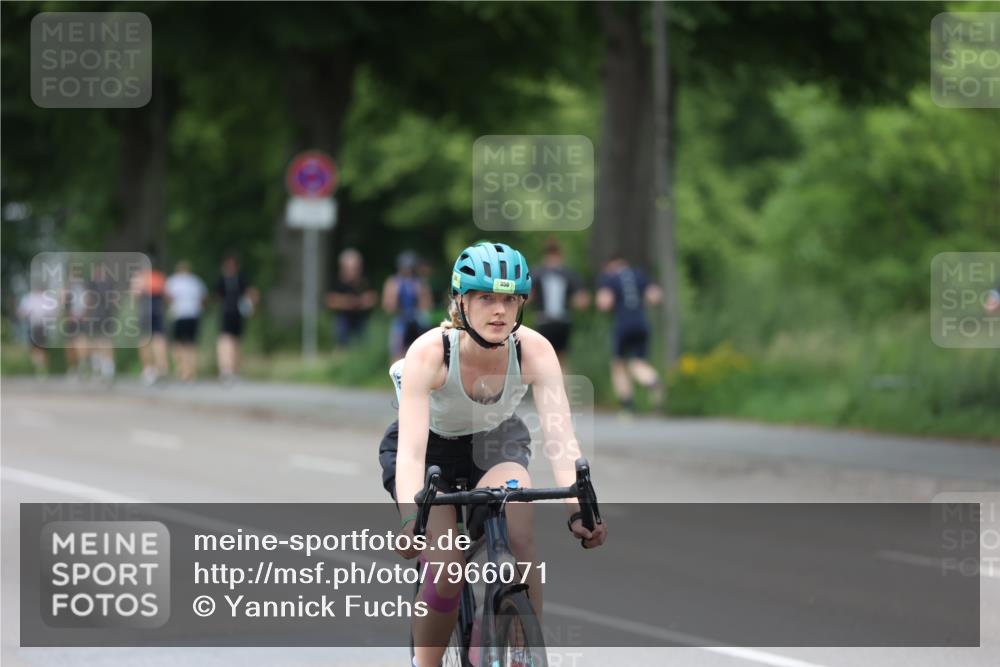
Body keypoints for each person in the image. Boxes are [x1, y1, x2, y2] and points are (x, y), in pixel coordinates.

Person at [378, 241, 608, 667]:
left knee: (519, 536)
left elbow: (561, 441)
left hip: (496, 442)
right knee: (447, 569)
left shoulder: (534, 349)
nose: (499, 310)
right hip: (431, 453)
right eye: (486, 298)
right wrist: (413, 520)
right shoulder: (429, 353)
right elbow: (410, 454)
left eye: (509, 299)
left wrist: (580, 511)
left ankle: (523, 651)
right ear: (460, 302)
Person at [596, 256, 663, 413]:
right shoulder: (639, 274)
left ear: (611, 265)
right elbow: (655, 296)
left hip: (623, 324)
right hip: (641, 322)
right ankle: (652, 380)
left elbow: (604, 303)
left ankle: (627, 404)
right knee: (638, 362)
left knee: (618, 364)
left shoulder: (610, 278)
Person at [530, 239, 589, 364]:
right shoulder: (568, 273)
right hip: (556, 321)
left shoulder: (538, 272)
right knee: (558, 360)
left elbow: (528, 297)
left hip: (549, 321)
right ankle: (559, 382)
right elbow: (582, 300)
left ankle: (550, 382)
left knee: (546, 359)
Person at [215, 252, 258, 382]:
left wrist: (252, 304)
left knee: (235, 342)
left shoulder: (241, 278)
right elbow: (217, 296)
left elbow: (251, 294)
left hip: (237, 314)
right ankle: (226, 368)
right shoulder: (223, 279)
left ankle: (233, 369)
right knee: (225, 341)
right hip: (227, 313)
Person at [383, 250, 433, 361]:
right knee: (397, 348)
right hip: (401, 318)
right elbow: (388, 307)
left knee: (423, 348)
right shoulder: (393, 282)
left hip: (416, 318)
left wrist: (421, 295)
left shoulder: (419, 282)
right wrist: (395, 297)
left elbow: (427, 305)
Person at [325, 248, 377, 347]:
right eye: (352, 267)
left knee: (362, 346)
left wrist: (362, 301)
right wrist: (349, 302)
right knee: (342, 345)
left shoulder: (364, 282)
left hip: (361, 319)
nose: (354, 270)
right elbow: (330, 301)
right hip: (344, 319)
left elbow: (372, 298)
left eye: (356, 267)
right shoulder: (337, 282)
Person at [165, 260, 207, 381]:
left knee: (178, 344)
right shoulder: (196, 281)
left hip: (179, 315)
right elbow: (203, 298)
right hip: (193, 315)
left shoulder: (173, 281)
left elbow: (168, 298)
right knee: (191, 344)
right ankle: (191, 370)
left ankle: (181, 369)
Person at [132, 262, 169, 385]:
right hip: (158, 310)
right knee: (159, 339)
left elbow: (135, 295)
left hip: (145, 311)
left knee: (144, 340)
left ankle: (148, 369)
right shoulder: (159, 277)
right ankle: (162, 368)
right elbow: (166, 297)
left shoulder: (139, 277)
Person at [17, 285, 58, 377]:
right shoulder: (29, 298)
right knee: (34, 349)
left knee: (41, 349)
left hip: (42, 326)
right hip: (33, 326)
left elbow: (54, 313)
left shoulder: (46, 299)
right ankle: (40, 368)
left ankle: (41, 369)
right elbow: (21, 313)